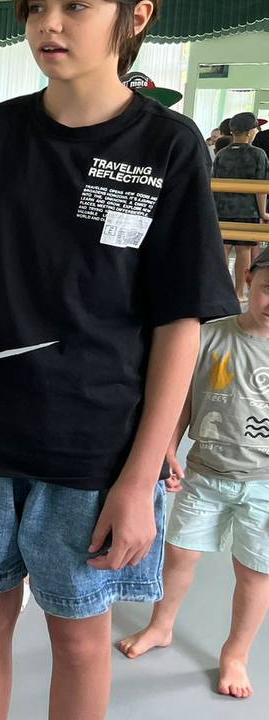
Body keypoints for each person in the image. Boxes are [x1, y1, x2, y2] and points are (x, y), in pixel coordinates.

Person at [0, 0, 238, 720]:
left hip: (93, 444)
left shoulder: (168, 146)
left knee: (81, 637)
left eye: (76, 5)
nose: (48, 25)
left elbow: (180, 323)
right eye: (36, 7)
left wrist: (142, 472)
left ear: (137, 15)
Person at [118, 248, 269, 699]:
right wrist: (167, 446)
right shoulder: (210, 336)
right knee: (180, 554)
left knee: (255, 572)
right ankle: (161, 625)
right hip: (206, 473)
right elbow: (182, 398)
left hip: (265, 485)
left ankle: (235, 653)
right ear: (248, 281)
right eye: (267, 291)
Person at [213, 112, 269, 300]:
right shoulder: (258, 154)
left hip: (221, 208)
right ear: (249, 132)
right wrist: (263, 212)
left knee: (223, 250)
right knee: (243, 251)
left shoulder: (222, 153)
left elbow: (214, 183)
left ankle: (218, 291)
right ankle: (238, 292)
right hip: (247, 210)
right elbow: (261, 187)